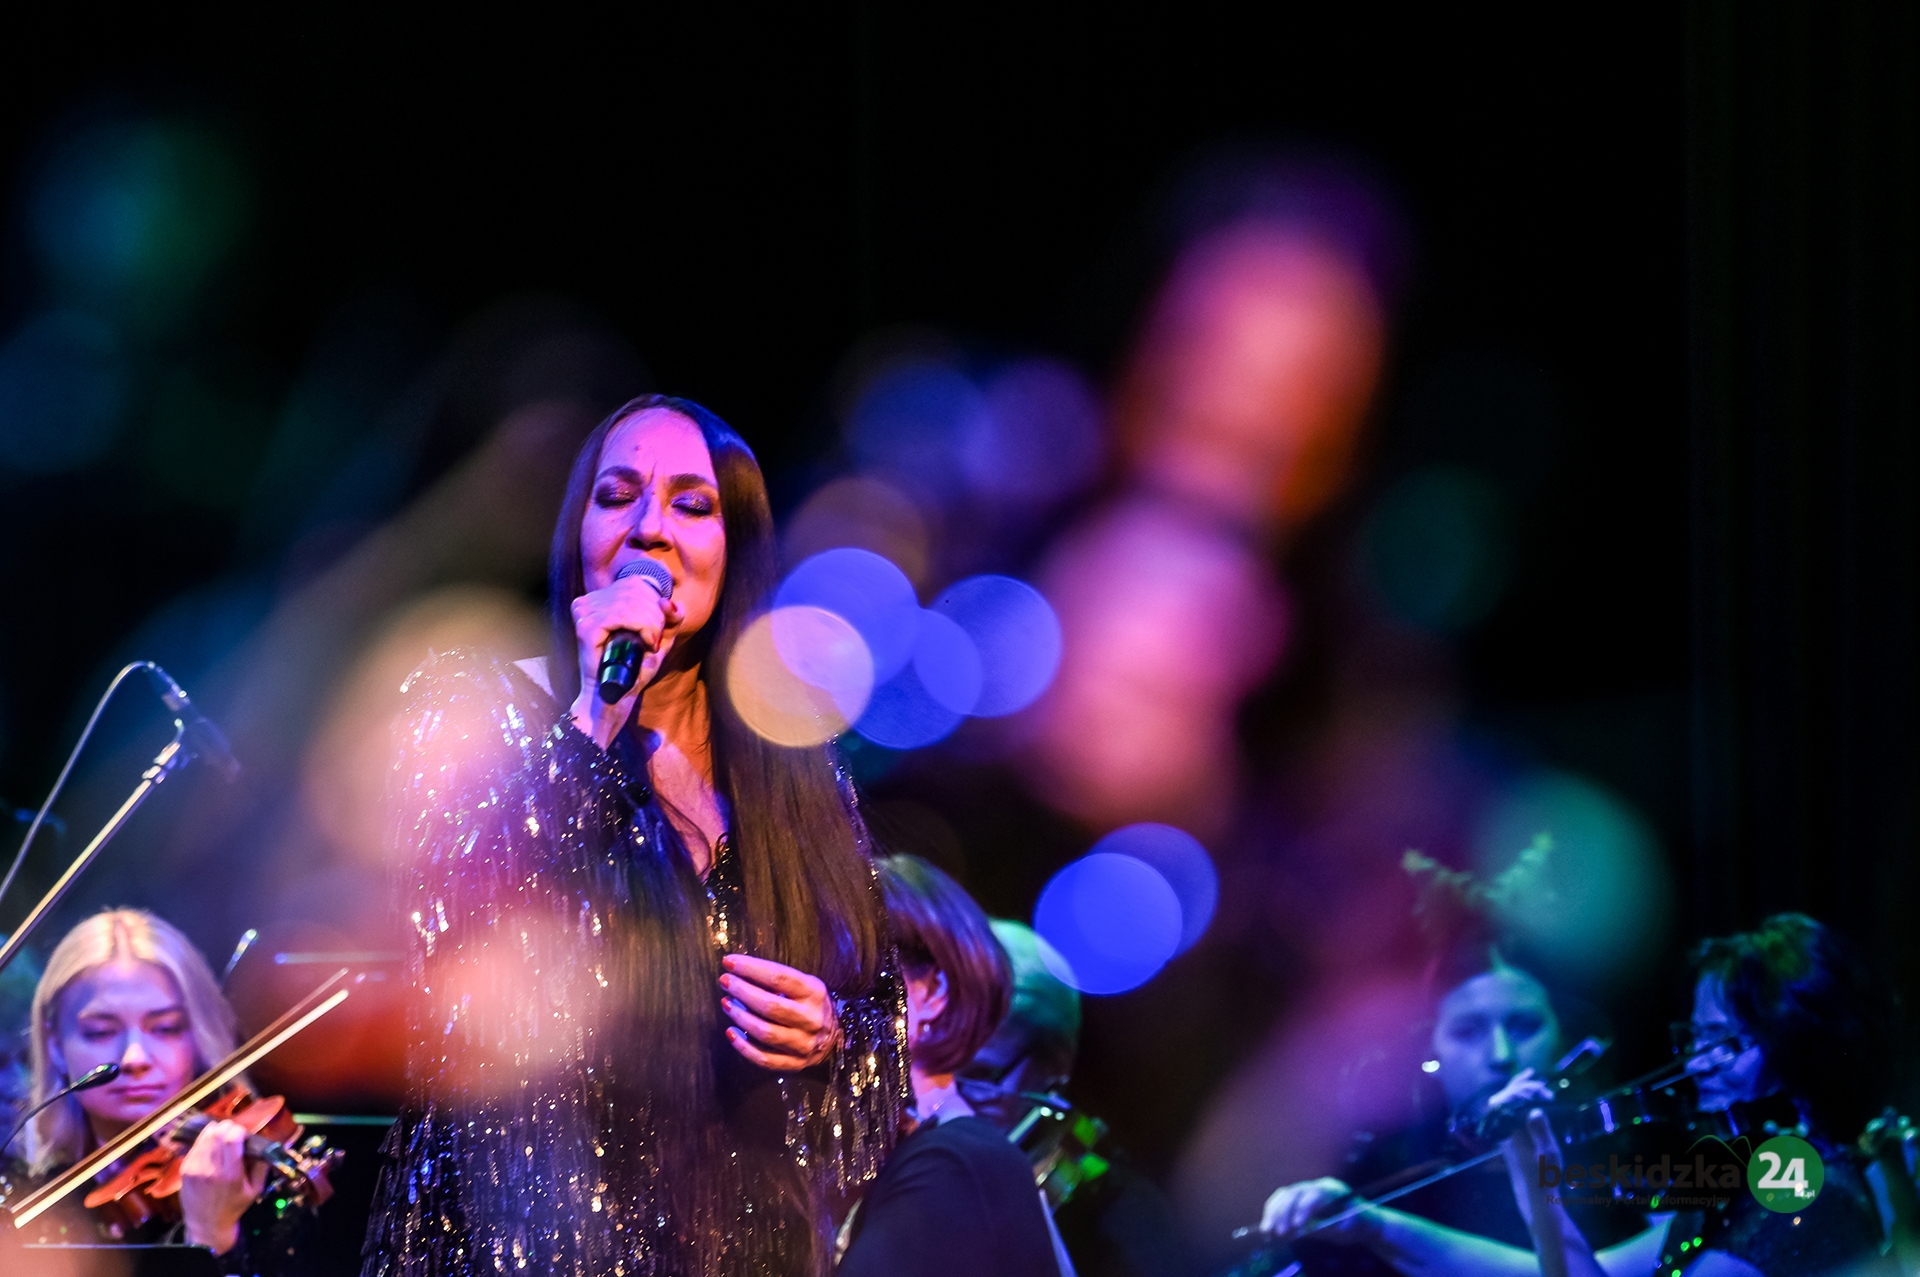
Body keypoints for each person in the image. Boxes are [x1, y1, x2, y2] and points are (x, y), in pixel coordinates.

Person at [359, 395, 908, 1277]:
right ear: (578, 534)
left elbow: (883, 1013)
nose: (650, 527)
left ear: (737, 550)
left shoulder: (792, 766)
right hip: (522, 1236)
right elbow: (444, 940)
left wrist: (832, 1033)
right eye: (617, 496)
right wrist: (593, 719)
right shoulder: (478, 709)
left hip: (737, 1244)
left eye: (693, 505)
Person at [1256, 848, 1640, 1277]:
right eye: (1469, 1031)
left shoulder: (1624, 1167)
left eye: (1524, 1026)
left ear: (1564, 1037)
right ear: (1429, 1050)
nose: (1501, 1057)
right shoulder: (1391, 1170)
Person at [0, 910, 307, 1268]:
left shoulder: (258, 1192)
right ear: (55, 1044)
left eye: (166, 1028)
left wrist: (210, 1236)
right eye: (101, 1032)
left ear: (198, 1037)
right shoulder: (27, 1191)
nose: (135, 1058)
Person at [838, 855, 1065, 1277]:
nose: (816, 1000)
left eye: (846, 973)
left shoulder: (953, 1165)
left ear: (931, 993)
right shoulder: (914, 1158)